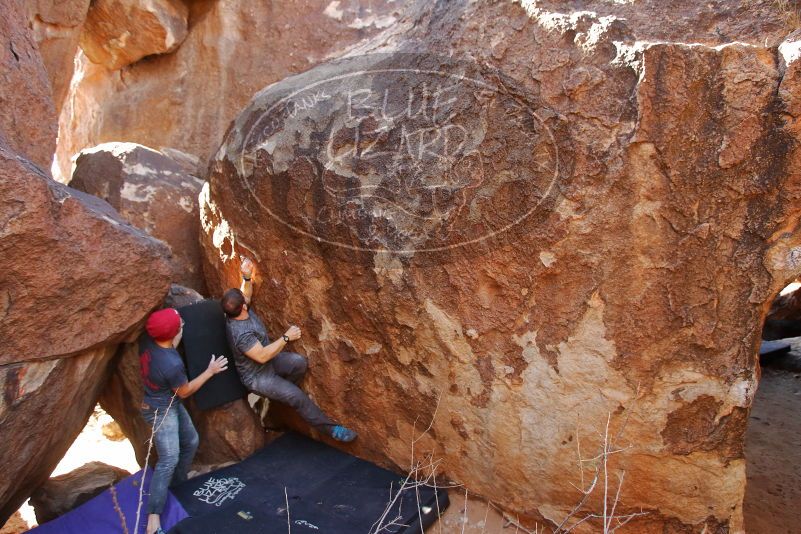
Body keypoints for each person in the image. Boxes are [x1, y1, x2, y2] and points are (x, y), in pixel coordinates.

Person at [222, 258, 357, 443]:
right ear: (243, 308)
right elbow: (262, 356)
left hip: (269, 363)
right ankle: (333, 430)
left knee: (298, 363)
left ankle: (281, 395)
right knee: (297, 397)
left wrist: (246, 278)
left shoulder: (236, 311)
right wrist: (286, 338)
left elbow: (245, 295)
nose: (246, 301)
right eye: (244, 302)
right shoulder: (241, 334)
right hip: (258, 376)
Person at [139, 308, 228, 534]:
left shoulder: (148, 340)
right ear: (173, 333)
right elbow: (185, 391)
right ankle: (153, 519)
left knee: (191, 441)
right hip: (161, 409)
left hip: (165, 401)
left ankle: (177, 485)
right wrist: (210, 371)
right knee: (168, 459)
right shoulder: (172, 365)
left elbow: (169, 341)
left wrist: (174, 323)